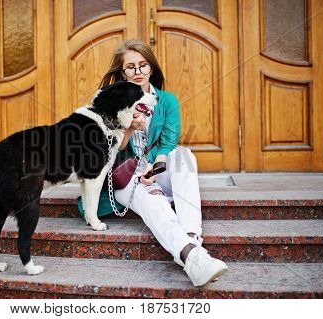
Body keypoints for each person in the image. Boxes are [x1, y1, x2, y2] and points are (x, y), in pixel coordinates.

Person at [77, 39, 228, 287]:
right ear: (121, 71)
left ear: (151, 68)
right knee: (152, 197)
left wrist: (155, 168)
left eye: (143, 65)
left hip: (157, 168)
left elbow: (169, 142)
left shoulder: (167, 101)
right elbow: (104, 150)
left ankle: (191, 239)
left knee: (184, 155)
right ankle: (192, 256)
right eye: (131, 67)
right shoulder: (109, 100)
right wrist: (127, 130)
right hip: (124, 175)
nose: (138, 72)